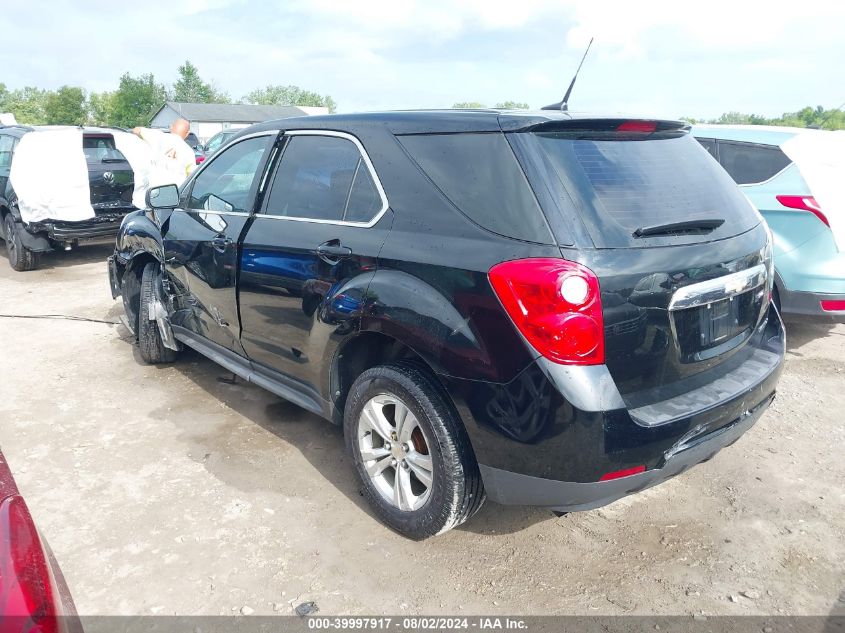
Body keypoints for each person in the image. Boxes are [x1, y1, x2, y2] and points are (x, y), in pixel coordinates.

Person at [131, 118, 196, 186]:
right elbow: (190, 177)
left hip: (154, 190)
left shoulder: (158, 136)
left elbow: (136, 130)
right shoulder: (189, 152)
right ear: (187, 134)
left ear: (171, 127)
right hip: (175, 191)